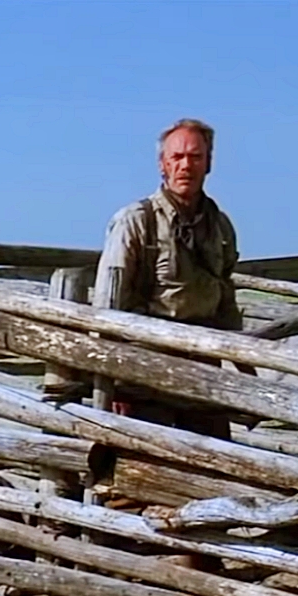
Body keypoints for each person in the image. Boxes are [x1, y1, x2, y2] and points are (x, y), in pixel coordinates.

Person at [93, 118, 242, 439]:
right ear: (163, 164)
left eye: (195, 157)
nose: (186, 165)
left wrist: (245, 368)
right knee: (144, 462)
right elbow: (106, 309)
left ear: (209, 163)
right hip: (145, 373)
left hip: (204, 371)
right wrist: (113, 381)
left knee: (212, 459)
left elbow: (226, 299)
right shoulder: (135, 222)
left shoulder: (220, 227)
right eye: (177, 157)